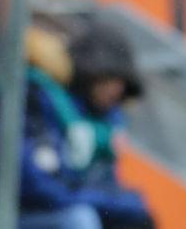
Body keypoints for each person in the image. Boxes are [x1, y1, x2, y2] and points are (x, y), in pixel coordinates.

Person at [18, 23, 154, 229]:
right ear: (89, 72)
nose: (117, 90)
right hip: (23, 213)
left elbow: (106, 185)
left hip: (70, 206)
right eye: (110, 78)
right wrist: (119, 203)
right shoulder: (39, 99)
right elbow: (39, 188)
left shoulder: (106, 122)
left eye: (123, 83)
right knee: (80, 220)